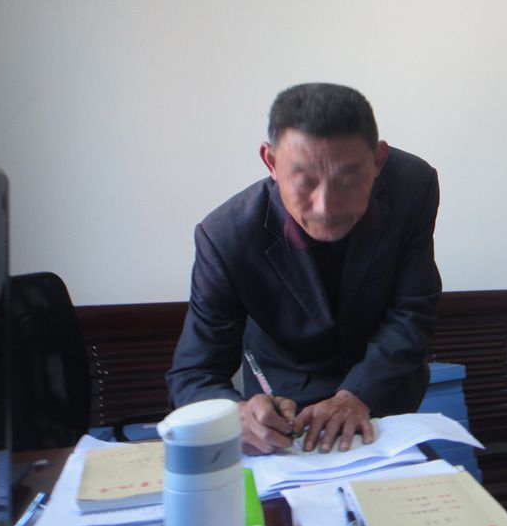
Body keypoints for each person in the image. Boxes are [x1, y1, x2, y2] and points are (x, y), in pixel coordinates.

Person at [167, 83, 442, 456]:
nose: (325, 206)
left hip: (383, 404)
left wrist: (357, 393)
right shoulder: (227, 237)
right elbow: (193, 374)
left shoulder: (413, 186)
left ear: (379, 161)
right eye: (305, 181)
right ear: (271, 162)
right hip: (288, 421)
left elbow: (413, 309)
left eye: (348, 180)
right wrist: (236, 414)